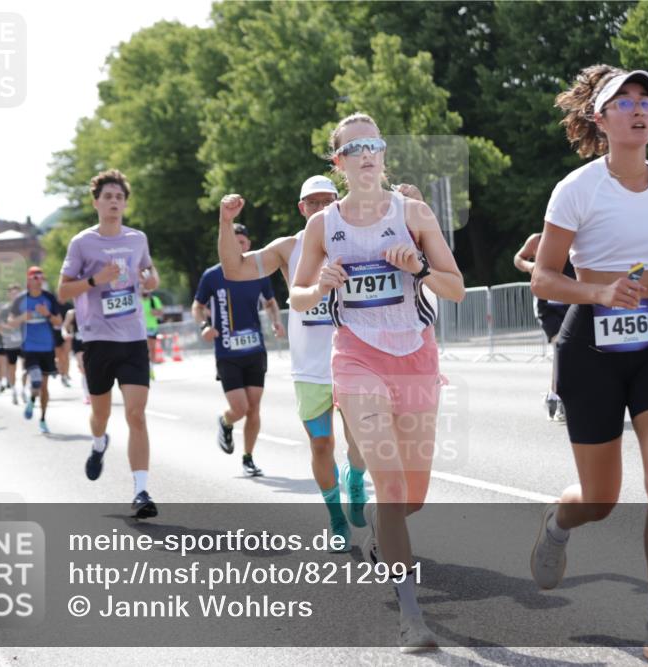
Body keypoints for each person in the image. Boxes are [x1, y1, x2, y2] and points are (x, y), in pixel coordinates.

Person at [528, 66, 648, 664]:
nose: (638, 109)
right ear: (600, 118)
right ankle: (559, 523)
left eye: (646, 101)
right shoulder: (576, 189)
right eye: (624, 101)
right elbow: (543, 278)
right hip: (590, 346)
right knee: (600, 498)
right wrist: (600, 292)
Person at [290, 113, 465, 652]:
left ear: (384, 155)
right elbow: (297, 297)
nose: (366, 153)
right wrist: (320, 285)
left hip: (415, 357)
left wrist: (419, 268)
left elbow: (456, 288)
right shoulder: (322, 226)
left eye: (375, 144)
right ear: (338, 162)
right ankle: (411, 616)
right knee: (388, 485)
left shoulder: (413, 213)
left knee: (411, 496)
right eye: (354, 147)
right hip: (356, 358)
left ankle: (380, 534)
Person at [216, 175, 377, 548]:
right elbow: (233, 268)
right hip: (310, 370)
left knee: (361, 443)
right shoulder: (289, 248)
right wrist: (225, 222)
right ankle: (335, 517)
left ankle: (355, 478)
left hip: (354, 361)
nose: (321, 208)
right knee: (321, 445)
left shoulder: (359, 240)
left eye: (327, 201)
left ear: (339, 202)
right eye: (313, 202)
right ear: (302, 208)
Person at [58, 169, 160, 519]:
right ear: (96, 203)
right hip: (97, 340)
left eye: (119, 197)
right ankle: (99, 442)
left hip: (133, 338)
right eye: (108, 197)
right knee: (100, 414)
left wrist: (151, 279)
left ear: (125, 203)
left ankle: (141, 491)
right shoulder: (81, 243)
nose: (114, 202)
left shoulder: (137, 239)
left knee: (136, 414)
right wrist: (94, 280)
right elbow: (63, 290)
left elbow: (149, 272)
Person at [193, 223, 284, 477]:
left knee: (254, 408)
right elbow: (197, 306)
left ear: (249, 245)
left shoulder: (258, 273)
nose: (237, 247)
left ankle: (248, 458)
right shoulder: (213, 275)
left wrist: (276, 321)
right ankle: (225, 421)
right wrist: (204, 326)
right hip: (227, 353)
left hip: (255, 350)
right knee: (240, 408)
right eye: (232, 243)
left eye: (242, 242)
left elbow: (271, 303)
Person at [514, 234, 575, 422]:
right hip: (548, 306)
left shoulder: (577, 238)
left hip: (573, 301)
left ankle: (554, 396)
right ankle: (560, 400)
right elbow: (518, 258)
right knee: (561, 346)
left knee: (574, 350)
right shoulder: (537, 239)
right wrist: (530, 266)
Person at [9, 267, 63, 433]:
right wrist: (22, 317)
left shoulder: (49, 298)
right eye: (35, 277)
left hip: (47, 347)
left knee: (44, 387)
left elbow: (59, 322)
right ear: (28, 280)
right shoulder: (20, 299)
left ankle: (42, 417)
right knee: (36, 380)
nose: (39, 280)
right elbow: (11, 322)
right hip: (29, 347)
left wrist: (47, 314)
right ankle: (32, 399)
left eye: (41, 277)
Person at [0, 284, 24, 404]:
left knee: (26, 367)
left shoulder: (24, 307)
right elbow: (0, 327)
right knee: (12, 367)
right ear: (8, 295)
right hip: (10, 343)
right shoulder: (4, 310)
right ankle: (14, 390)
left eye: (17, 294)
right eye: (13, 294)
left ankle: (24, 390)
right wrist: (11, 326)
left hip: (24, 342)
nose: (15, 296)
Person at [62, 308, 89, 404]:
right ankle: (87, 395)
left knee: (94, 369)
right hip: (79, 343)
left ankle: (95, 392)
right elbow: (64, 327)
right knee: (83, 368)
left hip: (93, 342)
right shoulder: (72, 313)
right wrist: (65, 334)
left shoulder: (94, 307)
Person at [142, 291, 163, 378]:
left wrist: (155, 312)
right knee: (144, 349)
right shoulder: (137, 300)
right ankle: (145, 369)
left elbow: (161, 312)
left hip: (152, 328)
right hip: (141, 328)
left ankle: (151, 368)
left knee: (152, 349)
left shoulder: (154, 300)